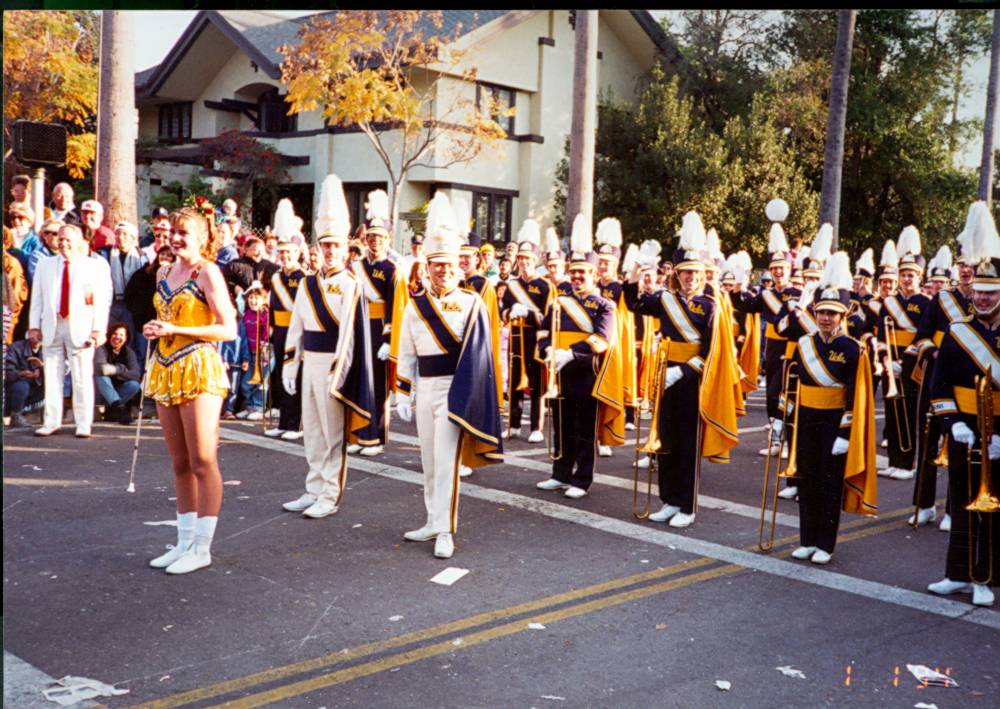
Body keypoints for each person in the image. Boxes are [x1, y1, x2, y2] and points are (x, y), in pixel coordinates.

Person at [394, 192, 503, 559]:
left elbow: (480, 356)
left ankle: (446, 529)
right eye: (436, 265)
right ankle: (431, 519)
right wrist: (402, 393)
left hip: (455, 390)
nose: (442, 271)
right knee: (428, 459)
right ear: (427, 266)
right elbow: (407, 351)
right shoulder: (414, 306)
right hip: (425, 387)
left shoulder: (472, 302)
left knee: (446, 462)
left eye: (448, 265)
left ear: (458, 266)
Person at [142, 203, 236, 575]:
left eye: (185, 233)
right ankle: (183, 542)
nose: (176, 238)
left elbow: (228, 328)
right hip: (166, 367)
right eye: (173, 231)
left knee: (203, 460)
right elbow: (167, 318)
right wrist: (155, 328)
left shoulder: (207, 273)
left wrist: (178, 332)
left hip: (199, 368)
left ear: (202, 238)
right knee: (179, 462)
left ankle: (202, 547)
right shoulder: (164, 270)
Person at [280, 175, 378, 520]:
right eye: (325, 246)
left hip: (334, 367)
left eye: (336, 246)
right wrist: (290, 366)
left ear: (345, 249)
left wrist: (338, 371)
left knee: (332, 433)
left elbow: (350, 334)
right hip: (311, 362)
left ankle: (330, 494)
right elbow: (296, 329)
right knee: (312, 431)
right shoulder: (307, 284)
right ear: (318, 248)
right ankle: (313, 487)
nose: (331, 252)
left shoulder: (351, 285)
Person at [926, 201, 1000, 608]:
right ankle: (957, 573)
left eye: (991, 293)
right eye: (979, 292)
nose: (984, 299)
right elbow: (940, 385)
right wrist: (953, 421)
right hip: (965, 427)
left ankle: (985, 576)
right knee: (959, 498)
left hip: (998, 433)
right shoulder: (958, 332)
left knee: (993, 508)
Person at [624, 212, 716, 528]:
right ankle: (668, 500)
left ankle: (687, 506)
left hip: (691, 380)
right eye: (685, 273)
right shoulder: (665, 299)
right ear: (676, 274)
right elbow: (634, 304)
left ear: (702, 274)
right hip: (665, 374)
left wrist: (685, 372)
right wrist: (637, 269)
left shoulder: (710, 305)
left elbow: (711, 351)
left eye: (695, 273)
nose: (690, 277)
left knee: (687, 445)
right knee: (664, 439)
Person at [789, 253, 877, 565]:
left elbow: (857, 395)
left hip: (833, 423)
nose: (825, 318)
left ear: (842, 317)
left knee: (828, 485)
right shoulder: (804, 344)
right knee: (806, 480)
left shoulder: (853, 348)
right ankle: (807, 540)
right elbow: (795, 383)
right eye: (821, 312)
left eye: (832, 313)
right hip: (808, 420)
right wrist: (785, 418)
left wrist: (844, 432)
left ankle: (825, 544)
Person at [535, 214, 622, 499]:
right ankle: (560, 473)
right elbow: (544, 330)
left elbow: (601, 340)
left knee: (584, 429)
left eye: (582, 273)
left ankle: (582, 479)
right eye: (573, 272)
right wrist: (547, 350)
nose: (576, 277)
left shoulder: (604, 305)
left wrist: (570, 354)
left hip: (588, 373)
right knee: (562, 425)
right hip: (560, 369)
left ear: (594, 275)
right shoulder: (560, 300)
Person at [910, 244, 973, 530]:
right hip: (937, 376)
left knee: (959, 447)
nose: (966, 269)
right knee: (928, 440)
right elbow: (921, 338)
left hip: (967, 383)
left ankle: (952, 509)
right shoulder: (940, 299)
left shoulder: (987, 301)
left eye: (971, 264)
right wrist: (935, 353)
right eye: (962, 264)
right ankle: (923, 505)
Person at [29, 223, 112, 437]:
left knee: (82, 376)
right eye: (60, 239)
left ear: (78, 242)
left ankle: (83, 424)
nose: (63, 243)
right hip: (53, 324)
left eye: (68, 240)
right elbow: (36, 298)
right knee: (52, 375)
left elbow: (101, 302)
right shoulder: (45, 265)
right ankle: (51, 422)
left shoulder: (92, 266)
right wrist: (34, 326)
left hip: (81, 326)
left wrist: (98, 329)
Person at [350, 189, 406, 456]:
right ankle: (360, 433)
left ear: (387, 240)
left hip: (379, 330)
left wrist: (388, 339)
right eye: (371, 237)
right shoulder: (356, 266)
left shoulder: (393, 270)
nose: (374, 241)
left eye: (380, 237)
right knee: (359, 380)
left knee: (378, 387)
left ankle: (376, 437)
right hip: (358, 328)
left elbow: (397, 308)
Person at [500, 218, 549, 443]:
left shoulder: (545, 286)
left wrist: (528, 313)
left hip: (536, 337)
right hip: (516, 336)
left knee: (536, 382)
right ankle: (514, 425)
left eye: (527, 258)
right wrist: (510, 313)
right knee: (515, 381)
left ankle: (536, 427)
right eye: (520, 258)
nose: (523, 262)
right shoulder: (511, 285)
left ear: (535, 260)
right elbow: (503, 311)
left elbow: (548, 318)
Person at [264, 205, 305, 441]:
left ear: (297, 253)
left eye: (289, 253)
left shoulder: (303, 278)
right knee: (280, 374)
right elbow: (273, 304)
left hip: (295, 332)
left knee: (294, 376)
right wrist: (269, 328)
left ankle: (294, 423)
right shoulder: (277, 277)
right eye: (282, 253)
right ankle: (282, 421)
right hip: (279, 330)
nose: (285, 257)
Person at [126, 245, 175, 370]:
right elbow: (130, 293)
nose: (165, 257)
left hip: (164, 324)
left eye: (169, 255)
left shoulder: (175, 277)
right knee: (141, 353)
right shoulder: (144, 273)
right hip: (143, 321)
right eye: (163, 254)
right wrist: (138, 312)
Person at [99, 221, 147, 346]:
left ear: (132, 238)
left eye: (125, 234)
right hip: (112, 303)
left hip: (131, 305)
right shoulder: (106, 254)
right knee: (110, 335)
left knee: (128, 338)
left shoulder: (141, 257)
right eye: (118, 234)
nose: (121, 237)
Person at [94, 322, 141, 424]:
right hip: (101, 392)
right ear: (110, 335)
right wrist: (122, 369)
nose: (117, 337)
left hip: (118, 392)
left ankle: (114, 408)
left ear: (126, 338)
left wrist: (115, 371)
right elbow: (102, 369)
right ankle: (120, 410)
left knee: (134, 385)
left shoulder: (128, 352)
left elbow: (136, 374)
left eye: (121, 335)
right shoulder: (102, 349)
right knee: (102, 377)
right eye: (115, 334)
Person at [236, 280, 270, 421]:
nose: (253, 300)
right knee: (247, 382)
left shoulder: (265, 314)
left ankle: (259, 406)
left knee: (261, 381)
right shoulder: (246, 315)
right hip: (249, 354)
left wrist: (265, 346)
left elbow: (267, 332)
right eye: (250, 297)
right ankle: (250, 406)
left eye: (256, 297)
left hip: (263, 353)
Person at [4, 327, 45, 427]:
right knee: (22, 385)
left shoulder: (48, 349)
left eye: (39, 336)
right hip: (16, 389)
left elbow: (59, 371)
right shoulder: (16, 348)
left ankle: (49, 418)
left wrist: (41, 368)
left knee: (53, 388)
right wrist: (21, 373)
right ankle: (16, 416)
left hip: (36, 390)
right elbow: (8, 372)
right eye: (32, 336)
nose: (36, 338)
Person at [27, 219, 64, 284]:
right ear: (45, 235)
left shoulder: (68, 254)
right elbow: (38, 279)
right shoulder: (37, 256)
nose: (60, 237)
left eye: (62, 234)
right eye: (56, 234)